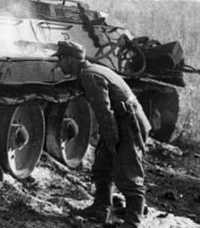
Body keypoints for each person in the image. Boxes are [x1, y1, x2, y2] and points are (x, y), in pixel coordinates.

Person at [53, 40, 152, 227]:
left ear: (70, 59)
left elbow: (104, 112)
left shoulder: (89, 76)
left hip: (129, 124)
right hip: (122, 120)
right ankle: (101, 208)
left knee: (128, 172)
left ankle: (133, 221)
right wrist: (107, 142)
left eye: (61, 59)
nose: (59, 64)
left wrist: (112, 141)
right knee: (102, 166)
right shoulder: (93, 70)